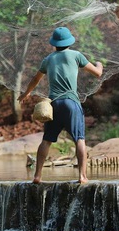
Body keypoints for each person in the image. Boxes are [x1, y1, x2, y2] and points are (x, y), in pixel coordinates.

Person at [17, 27, 103, 184]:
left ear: (54, 44)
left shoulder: (48, 59)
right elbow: (97, 73)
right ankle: (82, 176)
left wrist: (26, 93)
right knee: (80, 140)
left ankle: (37, 176)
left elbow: (35, 80)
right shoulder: (77, 55)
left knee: (47, 140)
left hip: (53, 105)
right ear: (69, 42)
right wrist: (100, 64)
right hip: (71, 103)